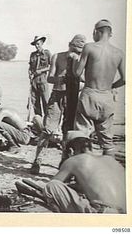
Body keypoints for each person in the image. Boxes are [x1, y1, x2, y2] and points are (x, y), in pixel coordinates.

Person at [30, 35, 86, 174]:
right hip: (57, 95)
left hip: (72, 97)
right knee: (48, 129)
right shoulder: (57, 56)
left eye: (80, 50)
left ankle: (64, 159)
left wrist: (76, 81)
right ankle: (37, 160)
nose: (76, 52)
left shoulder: (83, 59)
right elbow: (49, 78)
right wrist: (60, 79)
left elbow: (86, 81)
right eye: (75, 48)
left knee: (68, 130)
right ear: (69, 44)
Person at [72, 19, 125, 156]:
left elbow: (77, 73)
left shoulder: (89, 47)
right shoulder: (119, 53)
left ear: (97, 32)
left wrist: (75, 61)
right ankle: (109, 172)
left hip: (89, 95)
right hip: (107, 97)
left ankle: (81, 173)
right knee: (107, 143)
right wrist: (111, 86)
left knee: (81, 136)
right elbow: (125, 79)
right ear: (110, 33)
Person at [42, 130, 126, 213]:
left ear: (71, 151)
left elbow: (55, 182)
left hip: (107, 212)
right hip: (127, 210)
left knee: (51, 187)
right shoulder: (110, 159)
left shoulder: (74, 160)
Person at [28, 35, 51, 117]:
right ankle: (39, 121)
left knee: (46, 101)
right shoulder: (32, 55)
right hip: (34, 81)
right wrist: (30, 74)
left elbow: (51, 67)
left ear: (42, 43)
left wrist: (41, 70)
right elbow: (30, 67)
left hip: (43, 80)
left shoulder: (47, 53)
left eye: (38, 44)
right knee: (35, 102)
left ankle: (47, 122)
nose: (36, 46)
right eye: (35, 44)